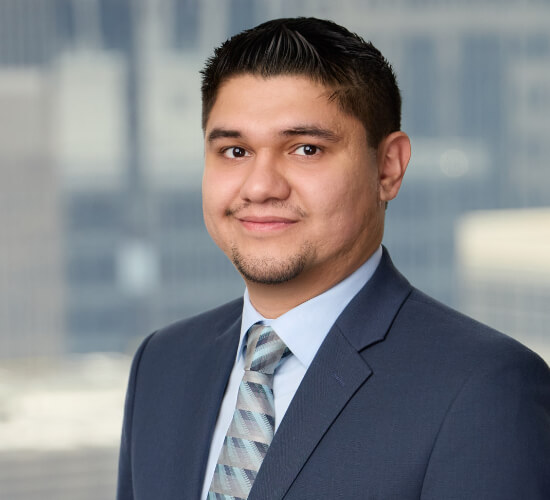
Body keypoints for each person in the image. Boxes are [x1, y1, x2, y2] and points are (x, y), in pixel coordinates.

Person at [117, 17, 550, 500]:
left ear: (388, 168)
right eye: (235, 151)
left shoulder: (485, 389)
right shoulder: (163, 363)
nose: (260, 187)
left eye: (306, 149)